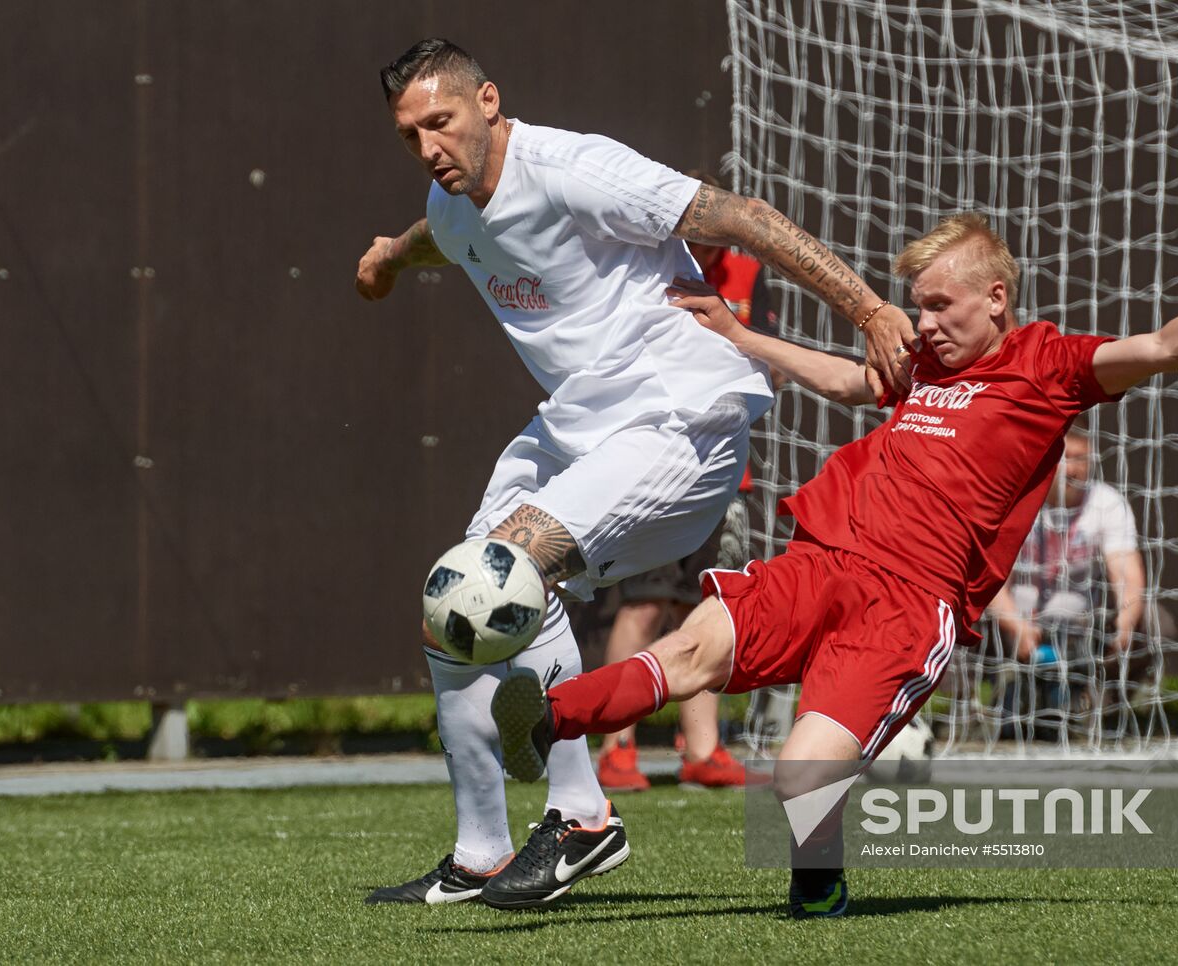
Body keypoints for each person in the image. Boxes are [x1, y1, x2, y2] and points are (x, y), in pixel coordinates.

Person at [488, 212, 1178, 918]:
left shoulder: (1048, 366)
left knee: (801, 776)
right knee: (687, 652)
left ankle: (818, 880)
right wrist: (743, 338)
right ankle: (544, 721)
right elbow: (852, 382)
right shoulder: (924, 364)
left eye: (938, 305)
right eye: (918, 307)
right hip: (822, 558)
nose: (921, 324)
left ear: (995, 297)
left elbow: (1161, 346)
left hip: (907, 607)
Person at [354, 39, 917, 910]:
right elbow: (444, 238)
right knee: (452, 608)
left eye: (442, 121)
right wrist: (390, 255)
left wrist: (872, 311)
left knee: (508, 572)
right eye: (410, 135)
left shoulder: (575, 168)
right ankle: (481, 852)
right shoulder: (451, 200)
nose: (429, 146)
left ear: (488, 101)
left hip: (677, 417)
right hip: (578, 427)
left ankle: (583, 818)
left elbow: (739, 216)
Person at [597, 171, 777, 793]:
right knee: (644, 604)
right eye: (691, 222)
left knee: (705, 609)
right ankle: (616, 746)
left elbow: (766, 356)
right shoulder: (646, 266)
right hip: (654, 464)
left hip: (724, 469)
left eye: (711, 223)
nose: (702, 234)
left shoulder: (748, 273)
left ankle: (703, 750)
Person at [987, 426, 1149, 737]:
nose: (1072, 469)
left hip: (1082, 628)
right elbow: (992, 579)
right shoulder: (1016, 499)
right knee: (957, 610)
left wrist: (1126, 622)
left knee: (1153, 622)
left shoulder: (1106, 502)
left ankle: (1100, 707)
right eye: (1065, 457)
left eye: (1080, 458)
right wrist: (1017, 627)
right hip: (1012, 623)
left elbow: (1127, 574)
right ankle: (975, 707)